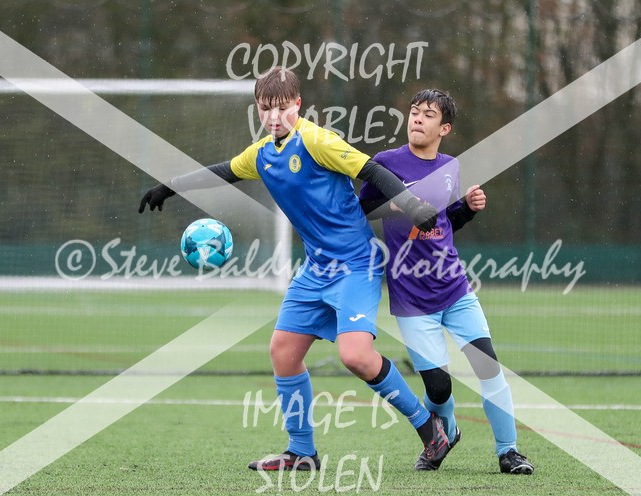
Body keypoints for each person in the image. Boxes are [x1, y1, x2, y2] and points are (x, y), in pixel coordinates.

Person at [139, 67, 450, 471]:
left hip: (356, 265)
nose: (274, 117)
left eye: (283, 108)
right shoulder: (263, 154)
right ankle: (301, 452)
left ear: (297, 105)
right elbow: (224, 171)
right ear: (258, 109)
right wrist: (170, 185)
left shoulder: (317, 140)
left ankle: (431, 430)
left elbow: (371, 170)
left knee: (355, 356)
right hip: (316, 269)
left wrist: (412, 205)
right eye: (266, 109)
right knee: (283, 351)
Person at [359, 89, 534, 474]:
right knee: (439, 389)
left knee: (488, 369)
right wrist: (403, 205)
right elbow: (364, 207)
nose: (417, 119)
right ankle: (446, 434)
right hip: (411, 298)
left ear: (445, 128)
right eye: (414, 112)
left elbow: (443, 223)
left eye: (428, 115)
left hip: (455, 290)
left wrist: (467, 210)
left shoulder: (451, 166)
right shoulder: (385, 163)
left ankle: (509, 451)